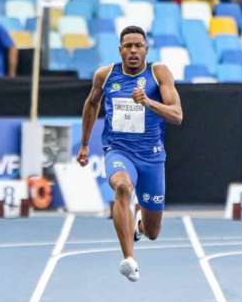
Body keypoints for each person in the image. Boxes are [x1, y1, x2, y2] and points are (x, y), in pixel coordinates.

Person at [76, 26, 183, 282]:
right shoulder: (105, 75)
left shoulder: (159, 73)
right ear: (120, 50)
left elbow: (177, 115)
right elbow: (92, 104)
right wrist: (84, 144)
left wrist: (147, 102)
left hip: (152, 157)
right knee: (122, 187)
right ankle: (129, 259)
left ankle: (138, 228)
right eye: (128, 46)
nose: (133, 51)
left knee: (153, 231)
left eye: (138, 46)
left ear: (146, 49)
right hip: (118, 151)